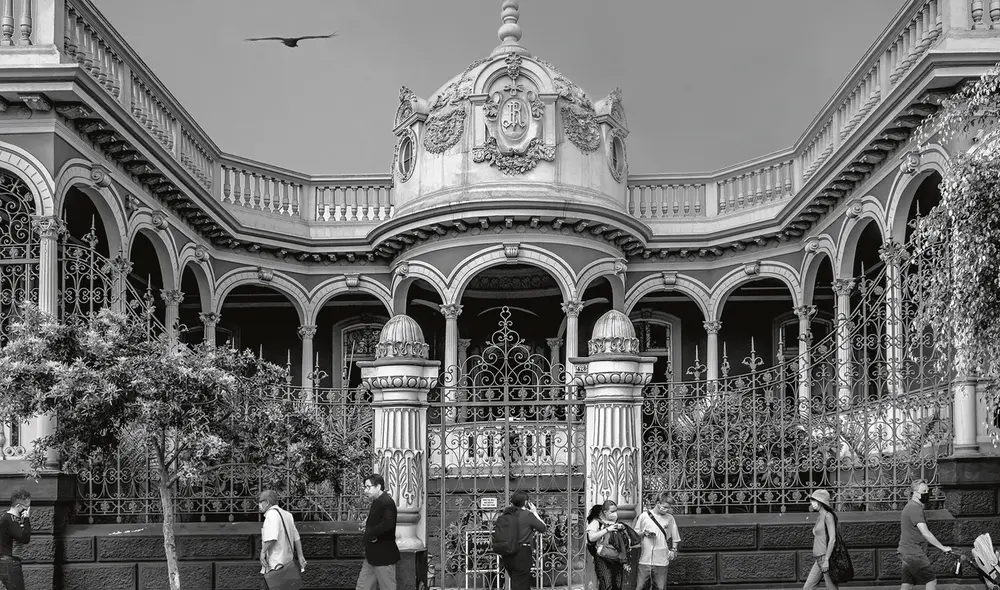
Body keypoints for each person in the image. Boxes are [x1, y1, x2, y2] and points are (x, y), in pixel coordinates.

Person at [898, 479, 951, 590]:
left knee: (908, 583)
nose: (927, 493)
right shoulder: (914, 508)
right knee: (931, 581)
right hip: (914, 553)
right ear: (915, 493)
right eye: (924, 491)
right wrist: (943, 548)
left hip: (907, 552)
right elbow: (926, 533)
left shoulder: (911, 506)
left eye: (928, 490)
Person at [357, 473, 400, 590]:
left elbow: (388, 524)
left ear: (378, 486)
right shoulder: (378, 501)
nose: (366, 490)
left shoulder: (386, 502)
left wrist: (372, 534)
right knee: (362, 587)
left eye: (368, 487)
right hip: (372, 556)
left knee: (387, 587)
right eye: (365, 487)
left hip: (383, 556)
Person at [258, 489, 305, 590]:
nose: (259, 504)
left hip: (275, 566)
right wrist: (300, 556)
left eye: (261, 501)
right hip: (288, 564)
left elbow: (272, 538)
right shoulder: (287, 515)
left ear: (267, 502)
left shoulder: (271, 515)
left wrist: (262, 552)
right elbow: (296, 537)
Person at [632, 492, 681, 590]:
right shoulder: (644, 516)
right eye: (664, 507)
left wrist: (674, 549)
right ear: (658, 503)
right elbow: (635, 533)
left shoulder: (670, 518)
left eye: (668, 508)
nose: (666, 510)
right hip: (644, 558)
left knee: (660, 587)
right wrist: (644, 533)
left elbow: (676, 537)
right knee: (640, 586)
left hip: (662, 559)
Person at [501, 490, 547, 590]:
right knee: (521, 584)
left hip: (507, 553)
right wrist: (534, 512)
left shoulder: (506, 515)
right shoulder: (527, 515)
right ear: (526, 502)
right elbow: (543, 528)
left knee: (519, 582)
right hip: (521, 553)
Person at [586, 501, 628, 590]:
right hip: (603, 558)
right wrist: (607, 530)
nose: (615, 514)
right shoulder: (596, 522)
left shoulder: (617, 523)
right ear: (605, 512)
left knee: (617, 585)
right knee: (606, 584)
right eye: (612, 512)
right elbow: (591, 538)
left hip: (617, 558)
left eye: (616, 511)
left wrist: (623, 529)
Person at [803, 489, 838, 590]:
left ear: (821, 502)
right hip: (818, 559)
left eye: (814, 500)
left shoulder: (828, 516)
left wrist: (827, 560)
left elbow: (832, 539)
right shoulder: (819, 517)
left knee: (831, 588)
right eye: (811, 500)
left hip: (824, 557)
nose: (812, 503)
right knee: (807, 588)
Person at [0, 488, 32, 590]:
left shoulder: (11, 519)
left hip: (10, 562)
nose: (28, 511)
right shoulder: (10, 519)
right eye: (26, 508)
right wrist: (27, 519)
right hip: (10, 563)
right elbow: (25, 538)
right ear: (18, 507)